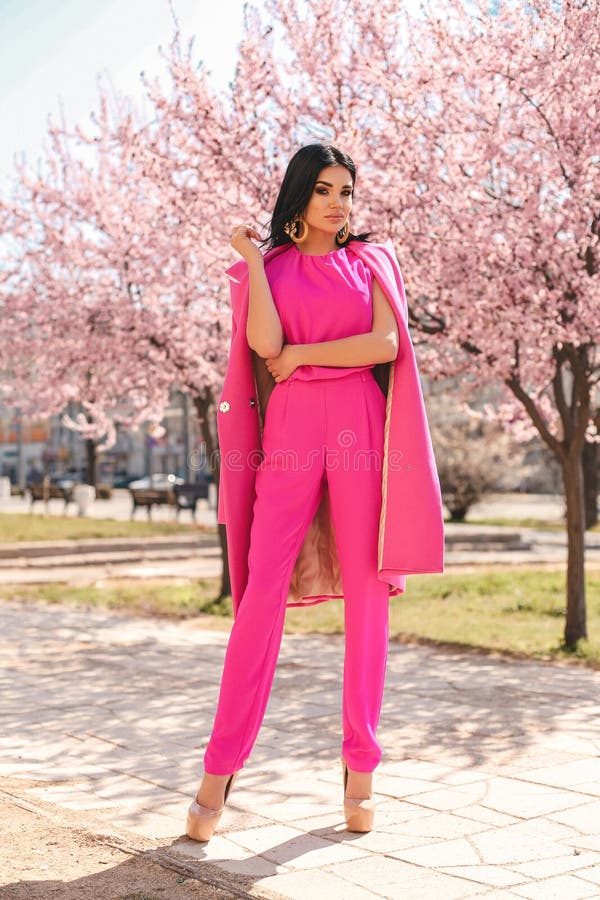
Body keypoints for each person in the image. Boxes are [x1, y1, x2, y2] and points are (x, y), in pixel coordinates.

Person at [186, 143, 444, 842]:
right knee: (260, 591)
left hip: (359, 421)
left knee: (367, 592)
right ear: (300, 196)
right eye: (325, 190)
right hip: (294, 433)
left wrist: (304, 355)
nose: (339, 203)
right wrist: (251, 257)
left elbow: (385, 343)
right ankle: (218, 770)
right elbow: (266, 343)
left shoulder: (373, 261)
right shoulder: (265, 270)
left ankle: (361, 767)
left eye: (347, 191)